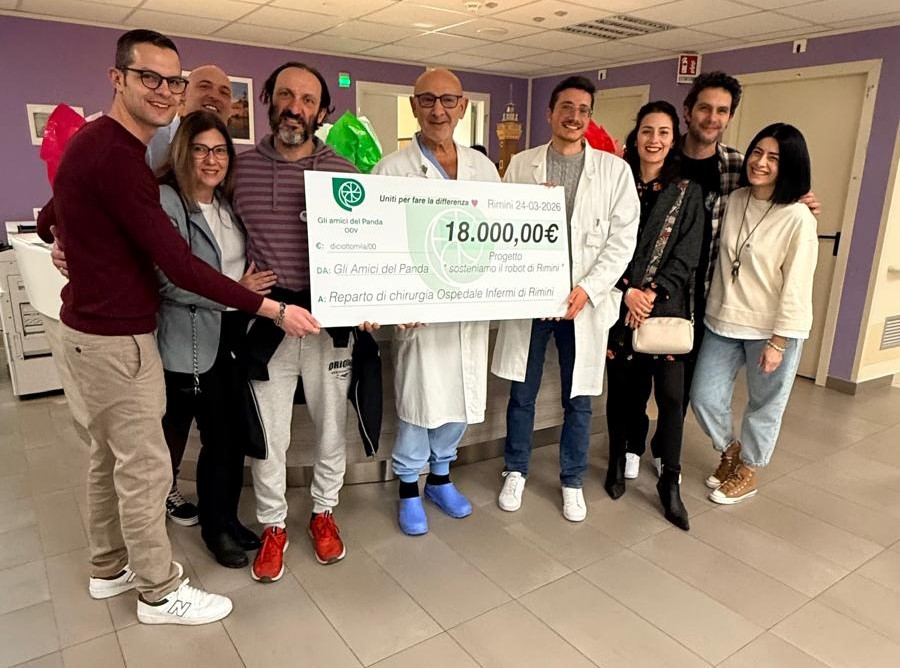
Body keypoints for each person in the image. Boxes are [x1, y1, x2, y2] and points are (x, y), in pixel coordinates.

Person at [35, 29, 317, 625]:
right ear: (118, 79)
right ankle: (160, 592)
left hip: (95, 331)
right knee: (145, 469)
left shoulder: (98, 144)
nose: (165, 90)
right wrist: (268, 308)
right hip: (118, 339)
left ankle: (108, 568)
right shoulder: (122, 159)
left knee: (109, 461)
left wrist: (67, 238)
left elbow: (47, 217)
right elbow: (180, 267)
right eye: (150, 78)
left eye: (173, 80)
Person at [46, 63, 237, 529]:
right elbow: (176, 271)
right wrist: (61, 238)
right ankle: (147, 541)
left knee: (212, 438)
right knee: (151, 448)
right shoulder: (140, 148)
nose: (214, 97)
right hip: (149, 334)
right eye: (202, 86)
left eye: (225, 91)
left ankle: (201, 522)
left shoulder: (228, 193)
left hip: (221, 337)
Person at [492, 75, 640, 522]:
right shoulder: (522, 165)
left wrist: (589, 288)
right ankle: (515, 469)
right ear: (550, 113)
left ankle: (572, 480)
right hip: (534, 301)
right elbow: (502, 227)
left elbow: (622, 240)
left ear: (589, 117)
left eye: (583, 110)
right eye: (566, 108)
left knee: (579, 397)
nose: (574, 117)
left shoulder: (614, 171)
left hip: (583, 301)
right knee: (523, 391)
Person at [232, 62, 359, 581]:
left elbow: (366, 248)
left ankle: (324, 512)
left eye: (308, 100)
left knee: (331, 426)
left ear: (322, 111)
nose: (295, 108)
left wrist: (371, 300)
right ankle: (273, 526)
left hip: (330, 319)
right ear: (269, 99)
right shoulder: (239, 169)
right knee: (271, 434)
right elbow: (216, 234)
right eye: (286, 95)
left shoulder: (344, 172)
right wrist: (236, 283)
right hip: (269, 319)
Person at [371, 68, 500, 535]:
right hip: (419, 316)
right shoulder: (391, 170)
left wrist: (536, 204)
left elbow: (500, 232)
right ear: (413, 106)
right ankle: (409, 486)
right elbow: (377, 243)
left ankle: (441, 479)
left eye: (448, 100)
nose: (438, 110)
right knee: (419, 399)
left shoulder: (484, 169)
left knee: (461, 397)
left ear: (463, 107)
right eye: (427, 100)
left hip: (468, 309)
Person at [155, 110, 276, 567]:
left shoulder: (226, 205)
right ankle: (211, 529)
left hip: (232, 334)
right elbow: (170, 281)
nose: (212, 160)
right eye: (201, 150)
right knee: (206, 437)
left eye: (221, 150)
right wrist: (237, 291)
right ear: (182, 152)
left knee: (230, 437)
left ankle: (225, 519)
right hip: (189, 338)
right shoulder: (168, 201)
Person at [690, 123, 817, 505]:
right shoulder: (736, 199)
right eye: (757, 152)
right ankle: (730, 450)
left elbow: (797, 285)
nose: (760, 162)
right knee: (704, 396)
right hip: (722, 320)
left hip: (770, 329)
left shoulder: (798, 217)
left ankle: (749, 469)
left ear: (789, 165)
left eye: (773, 158)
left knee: (765, 404)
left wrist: (779, 341)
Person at [678, 71, 820, 411]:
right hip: (678, 296)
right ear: (688, 110)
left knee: (687, 390)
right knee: (672, 389)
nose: (712, 118)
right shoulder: (664, 156)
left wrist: (802, 200)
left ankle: (675, 445)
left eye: (722, 110)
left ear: (730, 116)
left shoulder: (735, 165)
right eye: (704, 108)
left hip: (713, 297)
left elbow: (773, 189)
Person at [602, 101, 703, 530]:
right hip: (620, 306)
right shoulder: (617, 181)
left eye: (663, 132)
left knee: (672, 398)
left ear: (673, 138)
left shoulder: (687, 190)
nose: (654, 140)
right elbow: (604, 241)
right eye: (647, 130)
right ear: (636, 134)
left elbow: (687, 254)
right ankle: (616, 460)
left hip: (665, 311)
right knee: (623, 394)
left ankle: (670, 482)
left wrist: (650, 295)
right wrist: (628, 292)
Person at [147, 64, 233, 171]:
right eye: (204, 86)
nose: (215, 96)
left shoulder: (232, 160)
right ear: (183, 95)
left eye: (224, 93)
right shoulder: (150, 142)